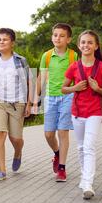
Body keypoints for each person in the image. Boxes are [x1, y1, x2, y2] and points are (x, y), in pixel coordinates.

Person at [61, 30, 102, 200]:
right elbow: (63, 88)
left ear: (96, 46)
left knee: (89, 147)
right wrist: (74, 88)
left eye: (90, 42)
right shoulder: (74, 66)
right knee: (81, 147)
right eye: (83, 42)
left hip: (95, 112)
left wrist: (98, 89)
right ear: (78, 46)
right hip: (77, 112)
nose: (86, 45)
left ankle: (88, 183)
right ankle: (84, 179)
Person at [0, 28, 32, 181]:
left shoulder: (20, 60)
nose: (1, 42)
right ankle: (1, 171)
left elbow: (30, 81)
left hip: (17, 103)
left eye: (4, 39)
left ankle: (18, 152)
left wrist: (29, 103)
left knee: (15, 138)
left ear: (12, 43)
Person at [32, 23, 77, 182]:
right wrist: (34, 99)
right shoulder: (47, 56)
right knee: (49, 134)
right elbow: (41, 78)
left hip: (68, 96)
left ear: (68, 39)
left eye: (62, 35)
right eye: (55, 35)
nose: (57, 38)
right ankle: (57, 153)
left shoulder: (73, 56)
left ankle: (62, 169)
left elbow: (78, 78)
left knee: (63, 131)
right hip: (50, 97)